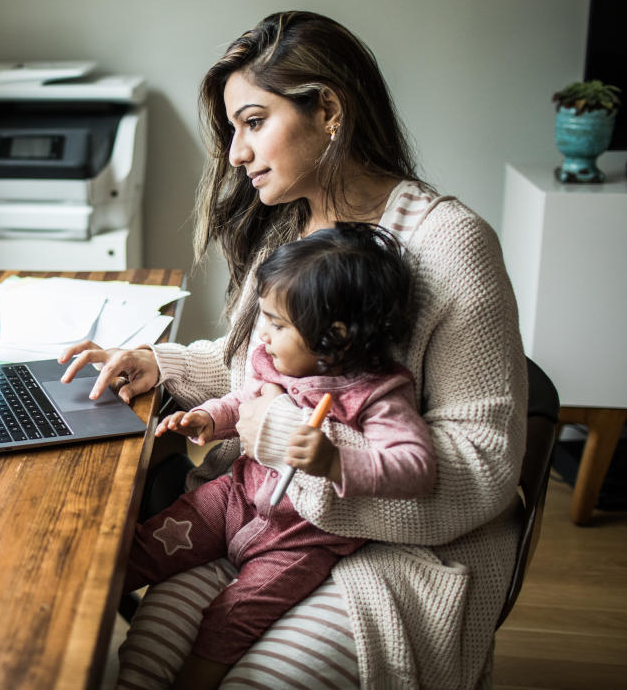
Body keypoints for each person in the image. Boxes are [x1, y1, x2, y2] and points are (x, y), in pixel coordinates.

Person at [59, 11, 526, 689]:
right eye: (233, 131)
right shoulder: (292, 228)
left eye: (253, 122)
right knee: (144, 666)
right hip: (253, 515)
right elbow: (254, 367)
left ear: (329, 109)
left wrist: (304, 456)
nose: (236, 154)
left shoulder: (451, 244)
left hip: (393, 554)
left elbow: (483, 466)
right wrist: (161, 364)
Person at [127, 222, 435, 690]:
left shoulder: (378, 394)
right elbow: (243, 403)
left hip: (301, 542)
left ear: (336, 337)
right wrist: (210, 418)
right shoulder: (272, 361)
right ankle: (75, 607)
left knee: (232, 618)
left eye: (277, 324)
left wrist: (335, 462)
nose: (263, 336)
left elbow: (414, 465)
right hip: (235, 497)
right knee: (149, 544)